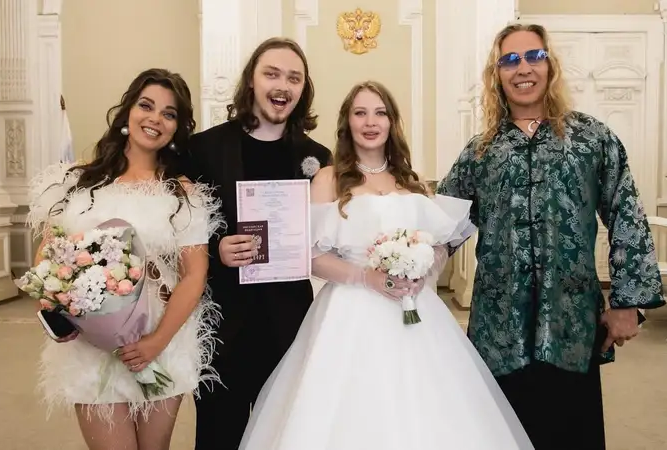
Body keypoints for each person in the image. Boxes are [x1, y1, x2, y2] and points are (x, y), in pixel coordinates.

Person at [237, 80, 534, 450]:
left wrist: (424, 268)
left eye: (380, 113)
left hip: (414, 307)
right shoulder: (329, 178)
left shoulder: (410, 180)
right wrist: (365, 277)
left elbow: (439, 246)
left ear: (392, 122)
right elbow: (307, 255)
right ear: (347, 122)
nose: (370, 122)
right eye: (360, 113)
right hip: (349, 307)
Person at [436, 23, 666, 449]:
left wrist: (627, 302)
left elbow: (627, 215)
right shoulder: (480, 151)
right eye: (510, 60)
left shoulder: (591, 139)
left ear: (550, 66)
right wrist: (403, 267)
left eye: (533, 56)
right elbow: (443, 224)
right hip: (499, 328)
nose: (522, 68)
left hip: (570, 323)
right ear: (497, 74)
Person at [27, 68, 223, 450]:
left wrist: (157, 341)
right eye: (146, 106)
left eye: (169, 114)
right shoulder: (78, 183)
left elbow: (194, 275)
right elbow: (48, 259)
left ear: (177, 128)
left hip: (161, 342)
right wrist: (58, 308)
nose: (155, 118)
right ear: (128, 111)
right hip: (90, 348)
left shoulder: (181, 193)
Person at [180, 37, 333, 449]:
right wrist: (216, 249)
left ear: (303, 89)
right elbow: (177, 227)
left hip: (288, 323)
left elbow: (326, 233)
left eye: (294, 78)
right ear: (252, 80)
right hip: (223, 323)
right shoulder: (204, 148)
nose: (283, 85)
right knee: (218, 435)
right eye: (272, 74)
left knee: (283, 434)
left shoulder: (318, 157)